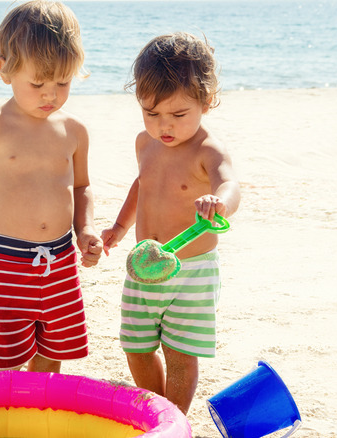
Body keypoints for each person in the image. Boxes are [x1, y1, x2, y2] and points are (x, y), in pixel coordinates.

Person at [0, 0, 103, 374]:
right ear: (5, 70)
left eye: (63, 83)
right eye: (37, 83)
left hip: (60, 260)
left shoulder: (74, 130)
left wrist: (83, 228)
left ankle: (40, 417)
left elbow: (82, 185)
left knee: (52, 352)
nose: (50, 95)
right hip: (5, 261)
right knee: (7, 357)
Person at [100, 32, 241, 414]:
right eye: (151, 113)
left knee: (180, 354)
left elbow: (231, 184)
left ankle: (174, 419)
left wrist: (220, 203)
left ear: (206, 101)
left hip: (191, 271)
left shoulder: (208, 148)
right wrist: (119, 226)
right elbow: (141, 185)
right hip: (145, 265)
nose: (164, 125)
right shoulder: (145, 144)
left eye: (178, 115)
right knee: (136, 346)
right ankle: (157, 409)